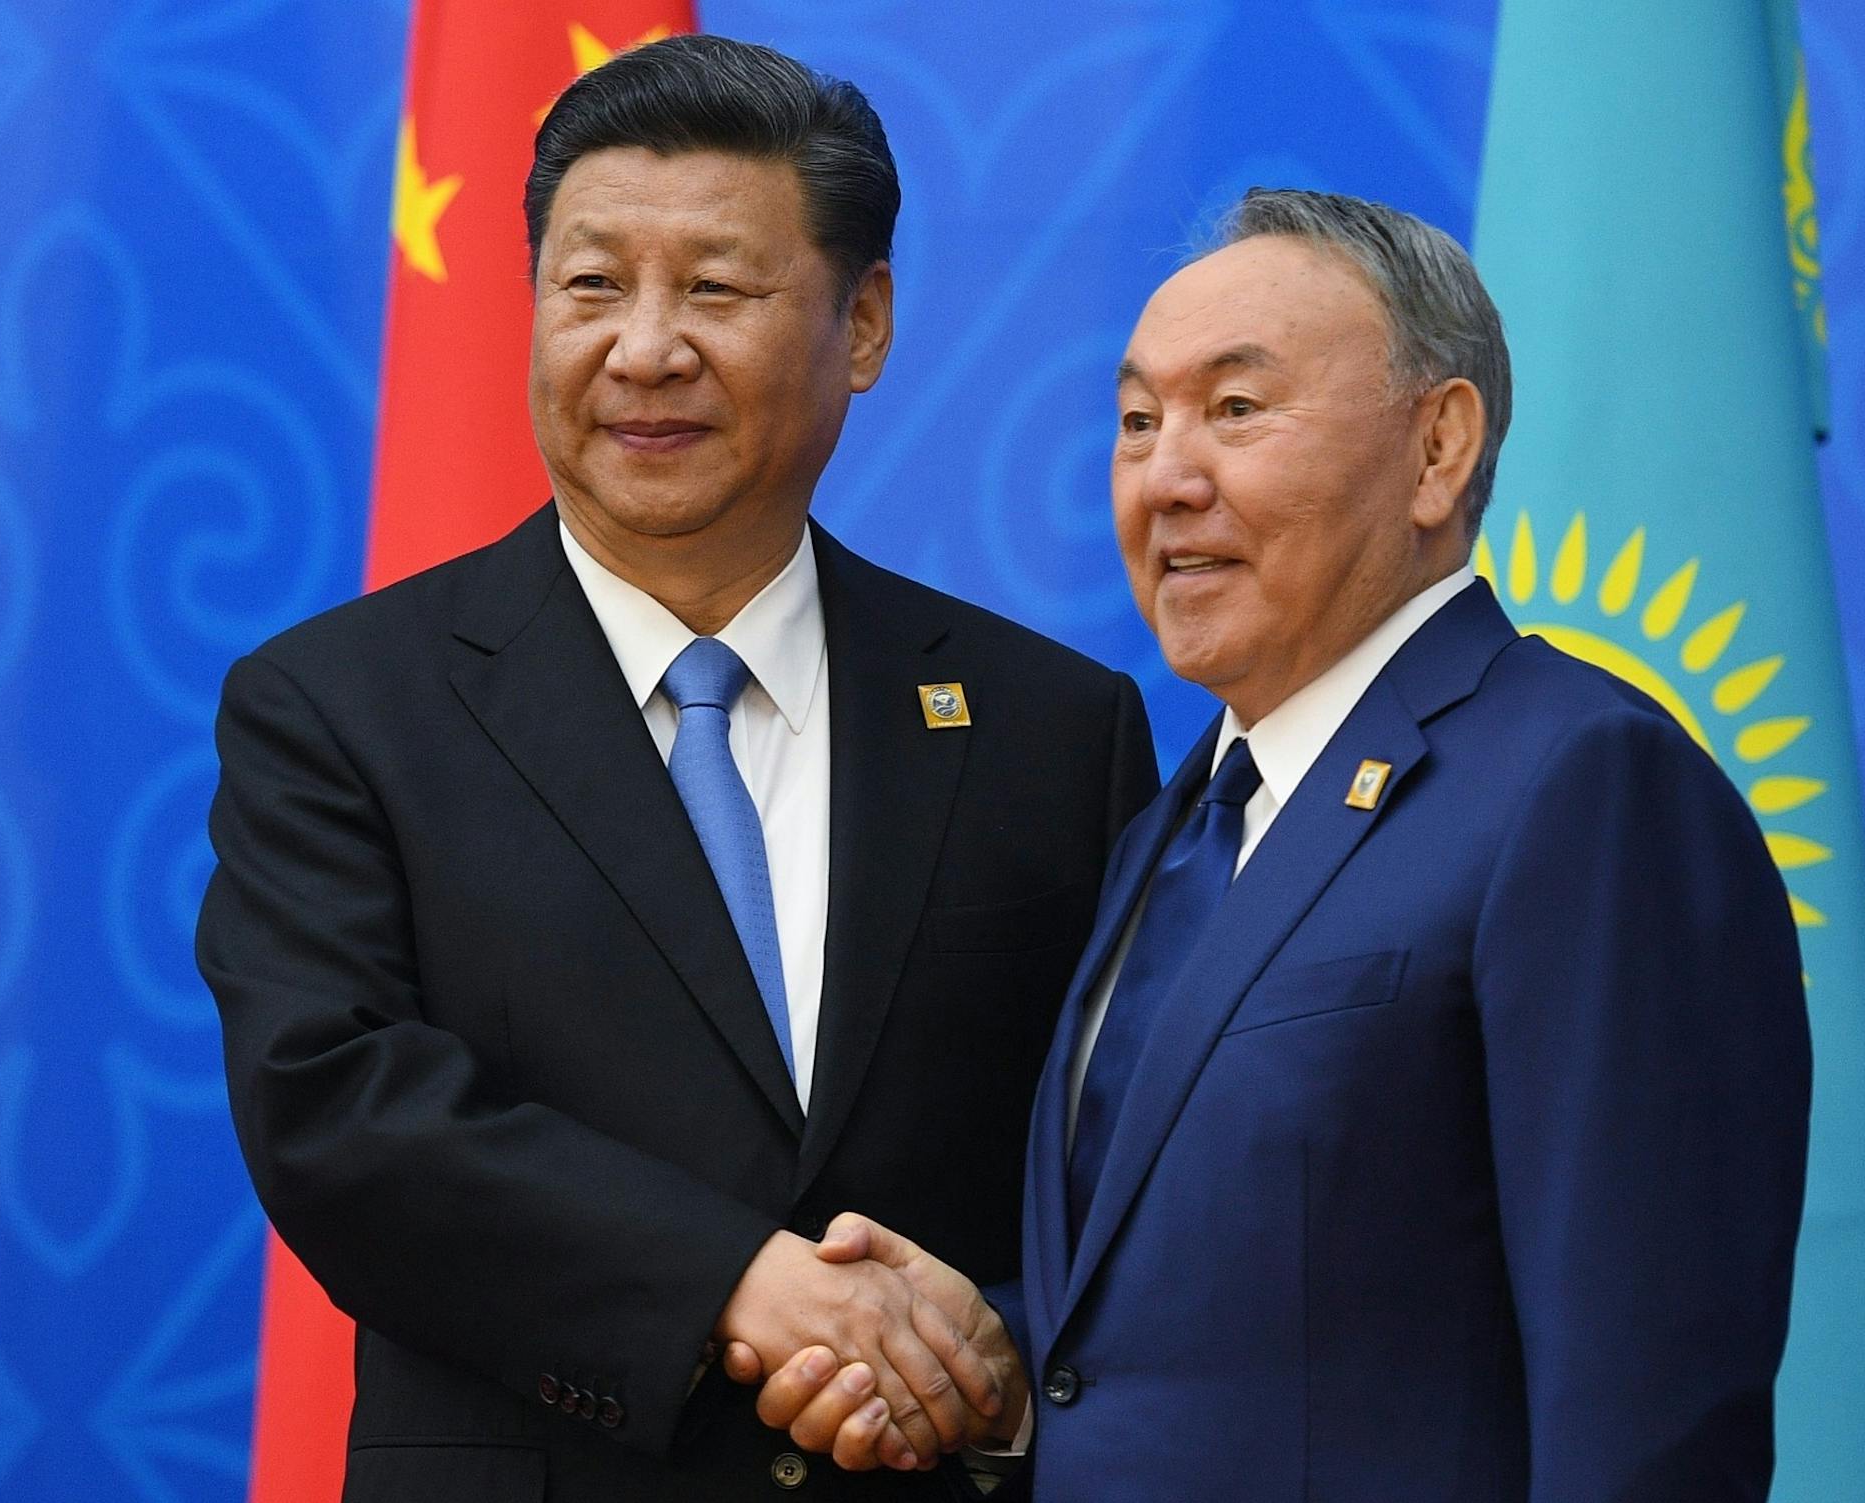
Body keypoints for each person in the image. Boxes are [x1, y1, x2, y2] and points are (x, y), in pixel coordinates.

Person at [196, 35, 1156, 1502]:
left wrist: (997, 1361)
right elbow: (340, 1115)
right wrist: (738, 1285)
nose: (644, 349)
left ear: (868, 321)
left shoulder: (1048, 727)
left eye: (715, 288)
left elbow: (1126, 1166)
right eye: (591, 287)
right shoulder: (339, 710)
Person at [742, 188, 1813, 1500]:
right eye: (1139, 422)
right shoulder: (1171, 828)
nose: (1169, 478)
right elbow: (1207, 1336)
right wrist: (997, 1357)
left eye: (1236, 410)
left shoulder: (1581, 784)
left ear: (1438, 447)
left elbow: (1642, 1416)